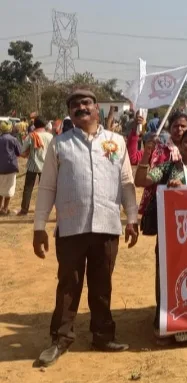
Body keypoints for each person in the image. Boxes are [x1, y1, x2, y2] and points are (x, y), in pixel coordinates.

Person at [33, 89, 139, 367]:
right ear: (69, 112)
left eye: (86, 103)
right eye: (75, 105)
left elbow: (126, 182)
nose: (81, 107)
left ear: (96, 108)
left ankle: (103, 336)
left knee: (102, 283)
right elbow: (47, 187)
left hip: (107, 225)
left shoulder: (116, 142)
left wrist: (132, 217)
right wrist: (39, 226)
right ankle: (60, 339)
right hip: (71, 227)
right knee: (69, 284)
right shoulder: (60, 144)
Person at [134, 127, 187, 344]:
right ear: (179, 145)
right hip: (170, 234)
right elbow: (141, 181)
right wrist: (146, 154)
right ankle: (163, 324)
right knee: (166, 276)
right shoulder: (167, 167)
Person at [17, 118, 55, 216]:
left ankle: (24, 210)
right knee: (46, 189)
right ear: (45, 125)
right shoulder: (50, 136)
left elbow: (23, 152)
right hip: (46, 166)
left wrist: (27, 153)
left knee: (28, 188)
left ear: (34, 125)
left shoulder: (31, 136)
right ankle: (45, 209)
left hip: (32, 166)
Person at [0, 121, 21, 215]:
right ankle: (5, 209)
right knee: (9, 189)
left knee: (0, 189)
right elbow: (19, 152)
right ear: (10, 128)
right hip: (11, 167)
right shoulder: (13, 139)